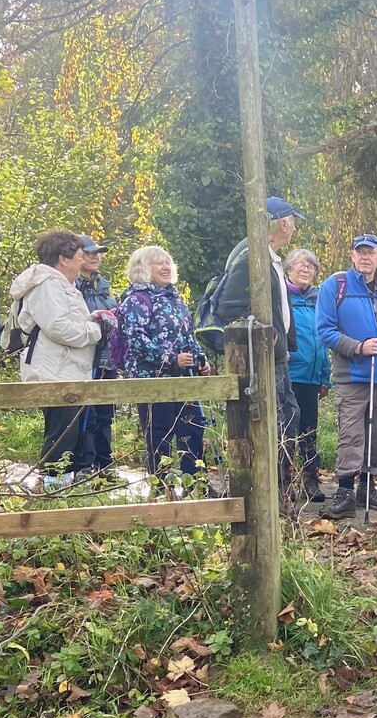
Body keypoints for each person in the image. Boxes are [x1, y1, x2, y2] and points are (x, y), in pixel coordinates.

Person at [316, 233, 377, 519]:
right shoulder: (335, 286)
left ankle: (367, 489)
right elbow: (324, 329)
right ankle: (345, 491)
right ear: (352, 255)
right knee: (351, 435)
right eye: (361, 252)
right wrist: (357, 347)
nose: (365, 257)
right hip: (352, 376)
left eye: (371, 252)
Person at [216, 196, 302, 502]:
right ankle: (263, 495)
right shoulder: (252, 257)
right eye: (293, 221)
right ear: (281, 223)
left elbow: (276, 308)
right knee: (271, 424)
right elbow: (230, 308)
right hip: (260, 362)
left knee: (286, 418)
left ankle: (275, 492)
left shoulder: (269, 257)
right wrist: (270, 337)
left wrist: (285, 345)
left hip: (277, 360)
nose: (294, 228)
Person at [9, 230, 111, 490]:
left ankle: (63, 491)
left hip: (66, 370)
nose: (82, 262)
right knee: (60, 437)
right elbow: (59, 327)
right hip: (54, 372)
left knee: (70, 434)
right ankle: (53, 492)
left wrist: (92, 319)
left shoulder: (61, 285)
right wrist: (96, 331)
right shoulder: (47, 285)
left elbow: (66, 323)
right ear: (63, 259)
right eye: (78, 256)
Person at [116, 245, 210, 484]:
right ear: (143, 269)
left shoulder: (175, 299)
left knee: (193, 429)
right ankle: (161, 489)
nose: (166, 267)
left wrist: (200, 359)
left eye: (168, 262)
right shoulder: (136, 300)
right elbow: (135, 339)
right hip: (151, 379)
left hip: (183, 378)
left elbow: (188, 335)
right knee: (160, 435)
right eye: (158, 263)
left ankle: (194, 485)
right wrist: (170, 358)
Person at [285, 248, 331, 505]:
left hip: (313, 376)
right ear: (288, 269)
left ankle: (311, 480)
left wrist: (325, 377)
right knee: (288, 429)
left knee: (310, 430)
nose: (305, 270)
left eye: (310, 267)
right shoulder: (282, 298)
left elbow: (323, 341)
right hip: (291, 374)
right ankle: (285, 480)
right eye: (300, 265)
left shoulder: (317, 300)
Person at [74, 234, 119, 480]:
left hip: (107, 358)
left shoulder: (104, 285)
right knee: (86, 414)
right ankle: (84, 465)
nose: (94, 257)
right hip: (86, 357)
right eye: (89, 253)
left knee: (105, 414)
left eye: (97, 253)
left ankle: (105, 464)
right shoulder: (72, 285)